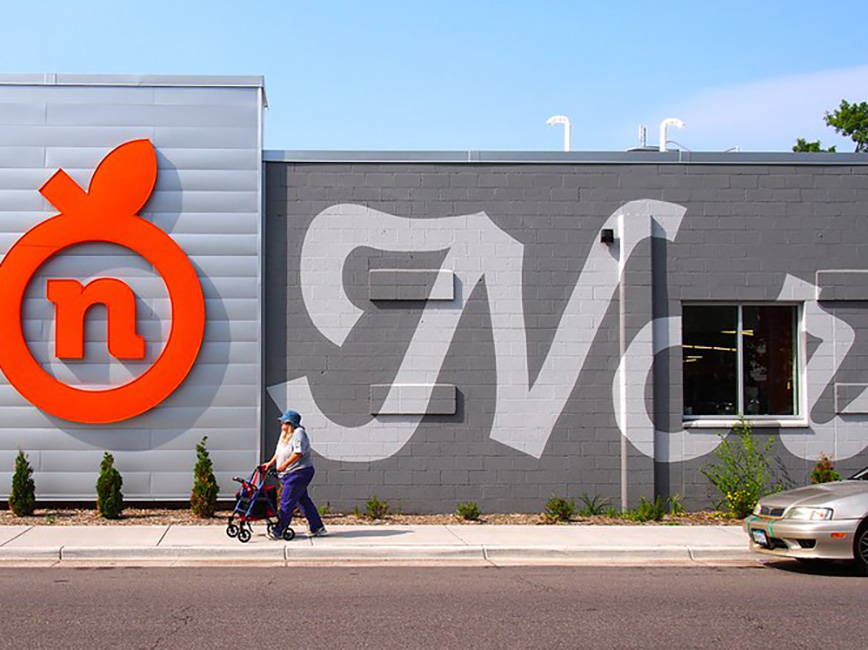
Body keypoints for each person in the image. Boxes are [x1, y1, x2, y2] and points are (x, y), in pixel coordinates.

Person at [261, 409, 326, 539]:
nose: (281, 424)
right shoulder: (284, 435)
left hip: (299, 472)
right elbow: (279, 452)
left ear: (290, 423)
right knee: (302, 500)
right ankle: (317, 527)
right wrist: (271, 463)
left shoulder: (299, 433)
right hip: (288, 473)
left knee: (286, 501)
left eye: (284, 422)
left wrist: (283, 466)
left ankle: (280, 530)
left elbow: (298, 453)